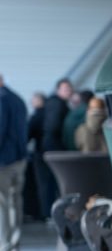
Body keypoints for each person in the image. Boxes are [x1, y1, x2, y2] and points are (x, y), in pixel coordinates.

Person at [0, 75, 28, 251]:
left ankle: (4, 249)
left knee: (2, 205)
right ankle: (15, 247)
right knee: (15, 202)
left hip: (3, 161)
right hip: (20, 159)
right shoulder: (18, 99)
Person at [37, 78, 73, 218]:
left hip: (49, 148)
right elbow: (53, 127)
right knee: (53, 183)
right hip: (53, 149)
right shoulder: (57, 104)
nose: (68, 91)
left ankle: (50, 214)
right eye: (65, 89)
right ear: (58, 90)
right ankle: (52, 214)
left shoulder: (55, 103)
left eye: (69, 89)